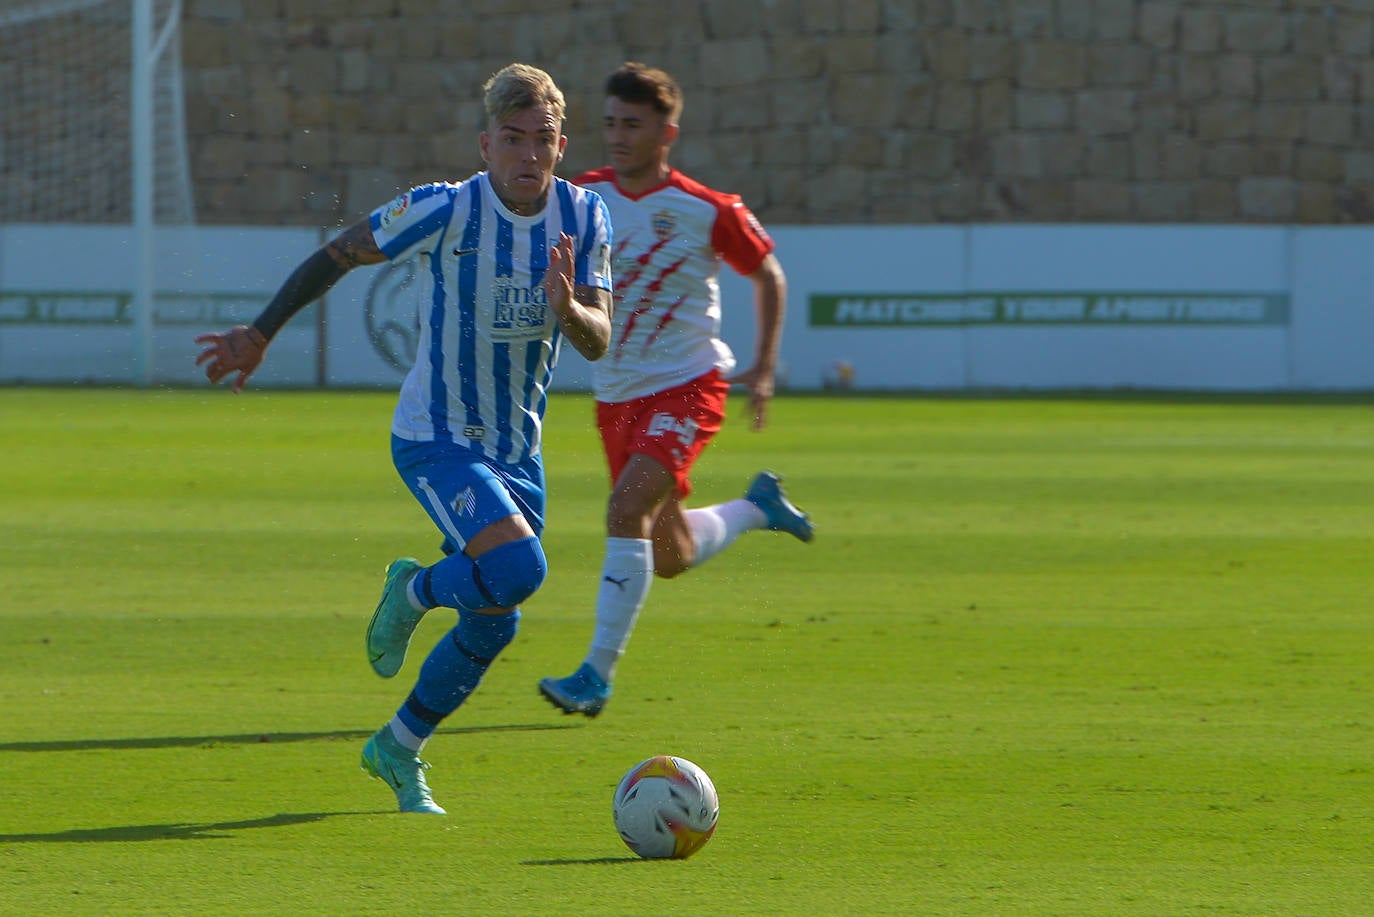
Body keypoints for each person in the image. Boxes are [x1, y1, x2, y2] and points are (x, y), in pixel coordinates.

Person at [194, 63, 613, 814]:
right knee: (517, 569)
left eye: (540, 140)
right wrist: (259, 333)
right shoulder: (444, 211)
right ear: (485, 144)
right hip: (436, 436)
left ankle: (398, 746)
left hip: (518, 450)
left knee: (497, 618)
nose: (526, 154)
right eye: (511, 139)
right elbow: (338, 253)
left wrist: (568, 308)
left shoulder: (585, 219)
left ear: (561, 143)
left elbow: (598, 339)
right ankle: (413, 588)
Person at [537, 62, 812, 718]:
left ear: (667, 132)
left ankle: (594, 676)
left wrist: (764, 367)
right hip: (616, 395)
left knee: (623, 510)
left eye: (632, 124)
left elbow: (768, 273)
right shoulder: (583, 197)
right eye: (609, 123)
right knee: (669, 556)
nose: (618, 136)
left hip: (688, 386)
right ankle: (755, 508)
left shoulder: (706, 209)